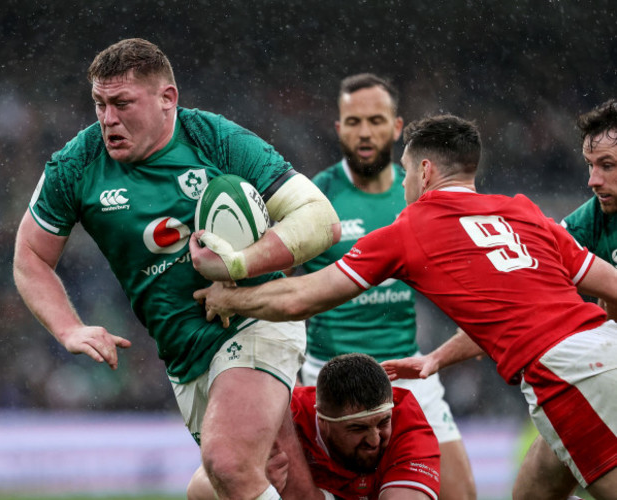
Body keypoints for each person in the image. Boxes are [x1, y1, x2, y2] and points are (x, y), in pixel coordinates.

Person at [192, 114, 617, 499]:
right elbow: (602, 287)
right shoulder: (525, 213)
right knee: (535, 489)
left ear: (425, 172)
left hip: (566, 375)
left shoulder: (409, 228)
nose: (404, 184)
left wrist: (232, 298)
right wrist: (437, 357)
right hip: (604, 348)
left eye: (407, 173)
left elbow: (300, 298)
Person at [12, 38, 340, 500]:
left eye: (123, 103)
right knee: (272, 486)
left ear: (168, 99)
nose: (108, 119)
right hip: (184, 358)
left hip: (252, 321)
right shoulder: (76, 164)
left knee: (228, 463)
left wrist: (238, 263)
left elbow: (319, 219)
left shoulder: (214, 139)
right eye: (100, 104)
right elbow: (30, 255)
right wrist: (69, 328)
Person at [298, 73, 475, 500]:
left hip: (405, 372)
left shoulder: (419, 193)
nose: (364, 132)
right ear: (339, 128)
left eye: (375, 120)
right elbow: (285, 291)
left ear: (396, 127)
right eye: (353, 122)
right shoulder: (311, 198)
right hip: (328, 379)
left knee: (462, 494)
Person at [513, 98, 617, 499]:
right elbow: (523, 296)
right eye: (590, 165)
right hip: (608, 374)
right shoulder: (585, 223)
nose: (593, 179)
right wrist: (438, 358)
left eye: (606, 165)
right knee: (533, 487)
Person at [189, 352, 441, 500]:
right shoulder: (283, 413)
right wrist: (251, 481)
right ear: (322, 419)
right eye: (357, 428)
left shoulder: (406, 420)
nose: (374, 440)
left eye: (382, 423)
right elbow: (197, 491)